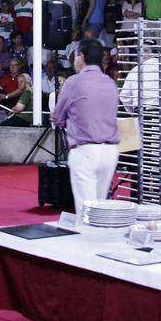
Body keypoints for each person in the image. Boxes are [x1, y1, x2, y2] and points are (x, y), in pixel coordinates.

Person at [52, 38, 120, 215]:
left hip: (85, 150)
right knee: (100, 208)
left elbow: (57, 117)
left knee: (86, 212)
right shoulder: (110, 83)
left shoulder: (73, 82)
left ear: (80, 56)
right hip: (110, 151)